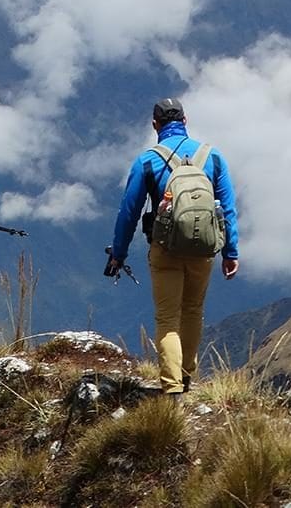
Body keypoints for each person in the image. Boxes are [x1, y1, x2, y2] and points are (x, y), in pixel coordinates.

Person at [107, 97, 240, 397]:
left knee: (167, 317)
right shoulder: (213, 156)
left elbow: (129, 211)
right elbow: (227, 209)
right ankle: (187, 376)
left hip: (164, 248)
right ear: (185, 120)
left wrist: (119, 253)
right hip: (204, 250)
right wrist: (230, 252)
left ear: (155, 125)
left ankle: (171, 388)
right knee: (192, 310)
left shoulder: (148, 160)